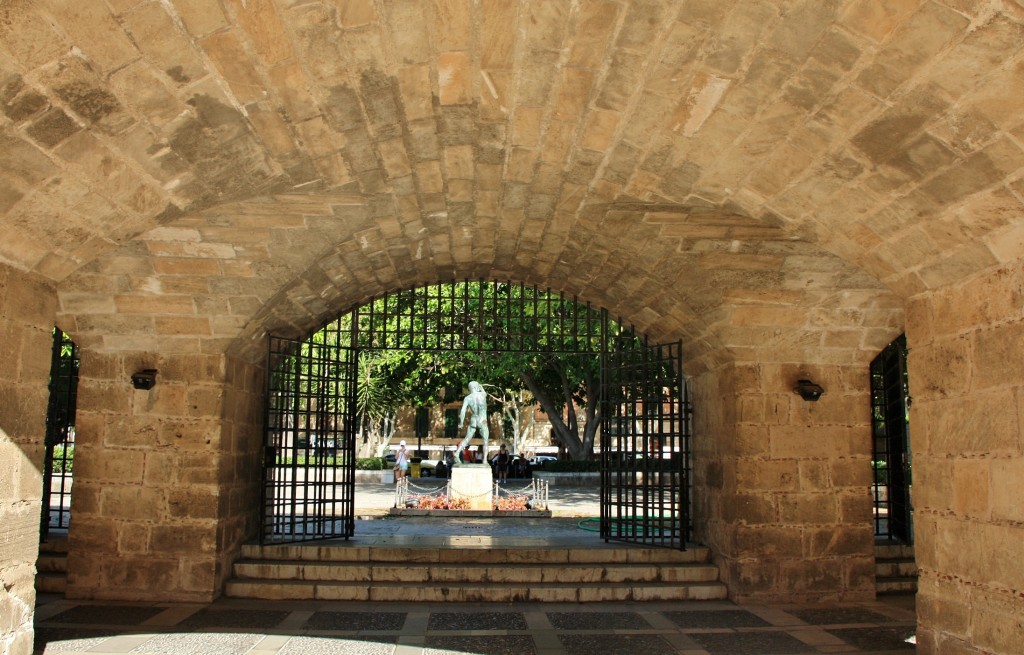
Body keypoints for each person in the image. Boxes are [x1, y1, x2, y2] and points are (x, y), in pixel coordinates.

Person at [454, 381, 489, 464]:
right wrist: (481, 387)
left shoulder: (467, 398)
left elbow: (462, 411)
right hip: (482, 420)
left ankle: (457, 453)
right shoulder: (483, 395)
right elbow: (484, 392)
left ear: (470, 388)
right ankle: (484, 460)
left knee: (467, 439)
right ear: (476, 387)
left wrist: (461, 423)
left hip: (474, 419)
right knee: (485, 441)